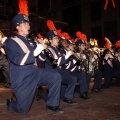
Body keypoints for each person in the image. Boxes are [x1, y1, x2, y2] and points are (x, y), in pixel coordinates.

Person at [4, 14, 64, 113]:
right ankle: (11, 104)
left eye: (28, 24)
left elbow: (39, 60)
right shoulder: (10, 42)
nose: (28, 26)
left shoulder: (32, 42)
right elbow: (17, 59)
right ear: (17, 27)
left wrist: (43, 51)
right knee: (23, 109)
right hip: (22, 78)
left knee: (55, 76)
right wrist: (36, 51)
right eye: (25, 24)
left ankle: (52, 105)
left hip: (35, 72)